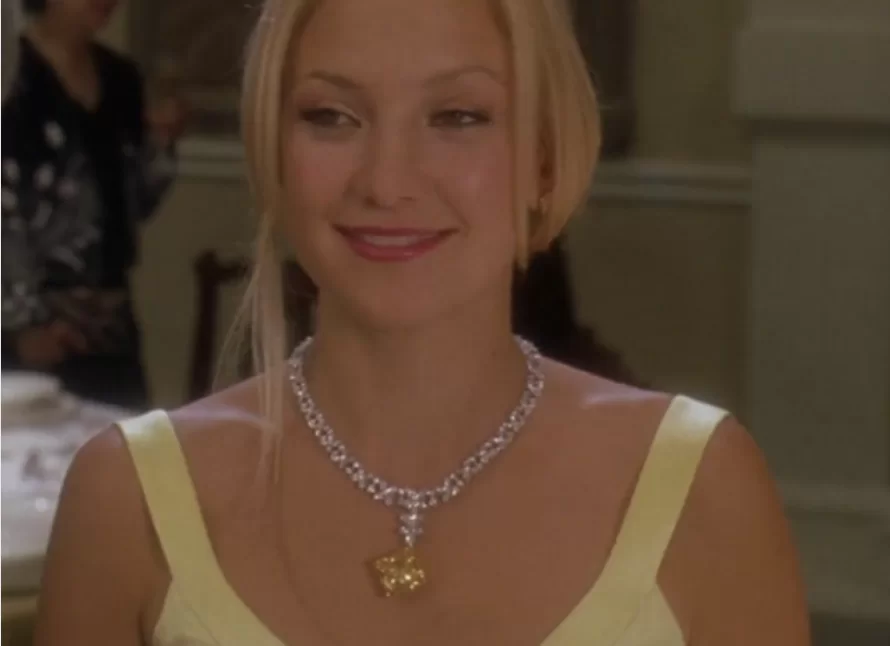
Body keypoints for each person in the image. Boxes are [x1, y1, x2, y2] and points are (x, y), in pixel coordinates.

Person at [35, 0, 811, 644]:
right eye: (331, 116)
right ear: (273, 150)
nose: (387, 180)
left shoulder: (700, 487)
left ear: (543, 159)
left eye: (458, 116)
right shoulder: (126, 499)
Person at [1, 0, 185, 409]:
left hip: (110, 327)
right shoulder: (10, 75)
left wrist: (161, 144)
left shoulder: (121, 77)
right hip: (26, 330)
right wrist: (20, 329)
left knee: (124, 440)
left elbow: (134, 206)